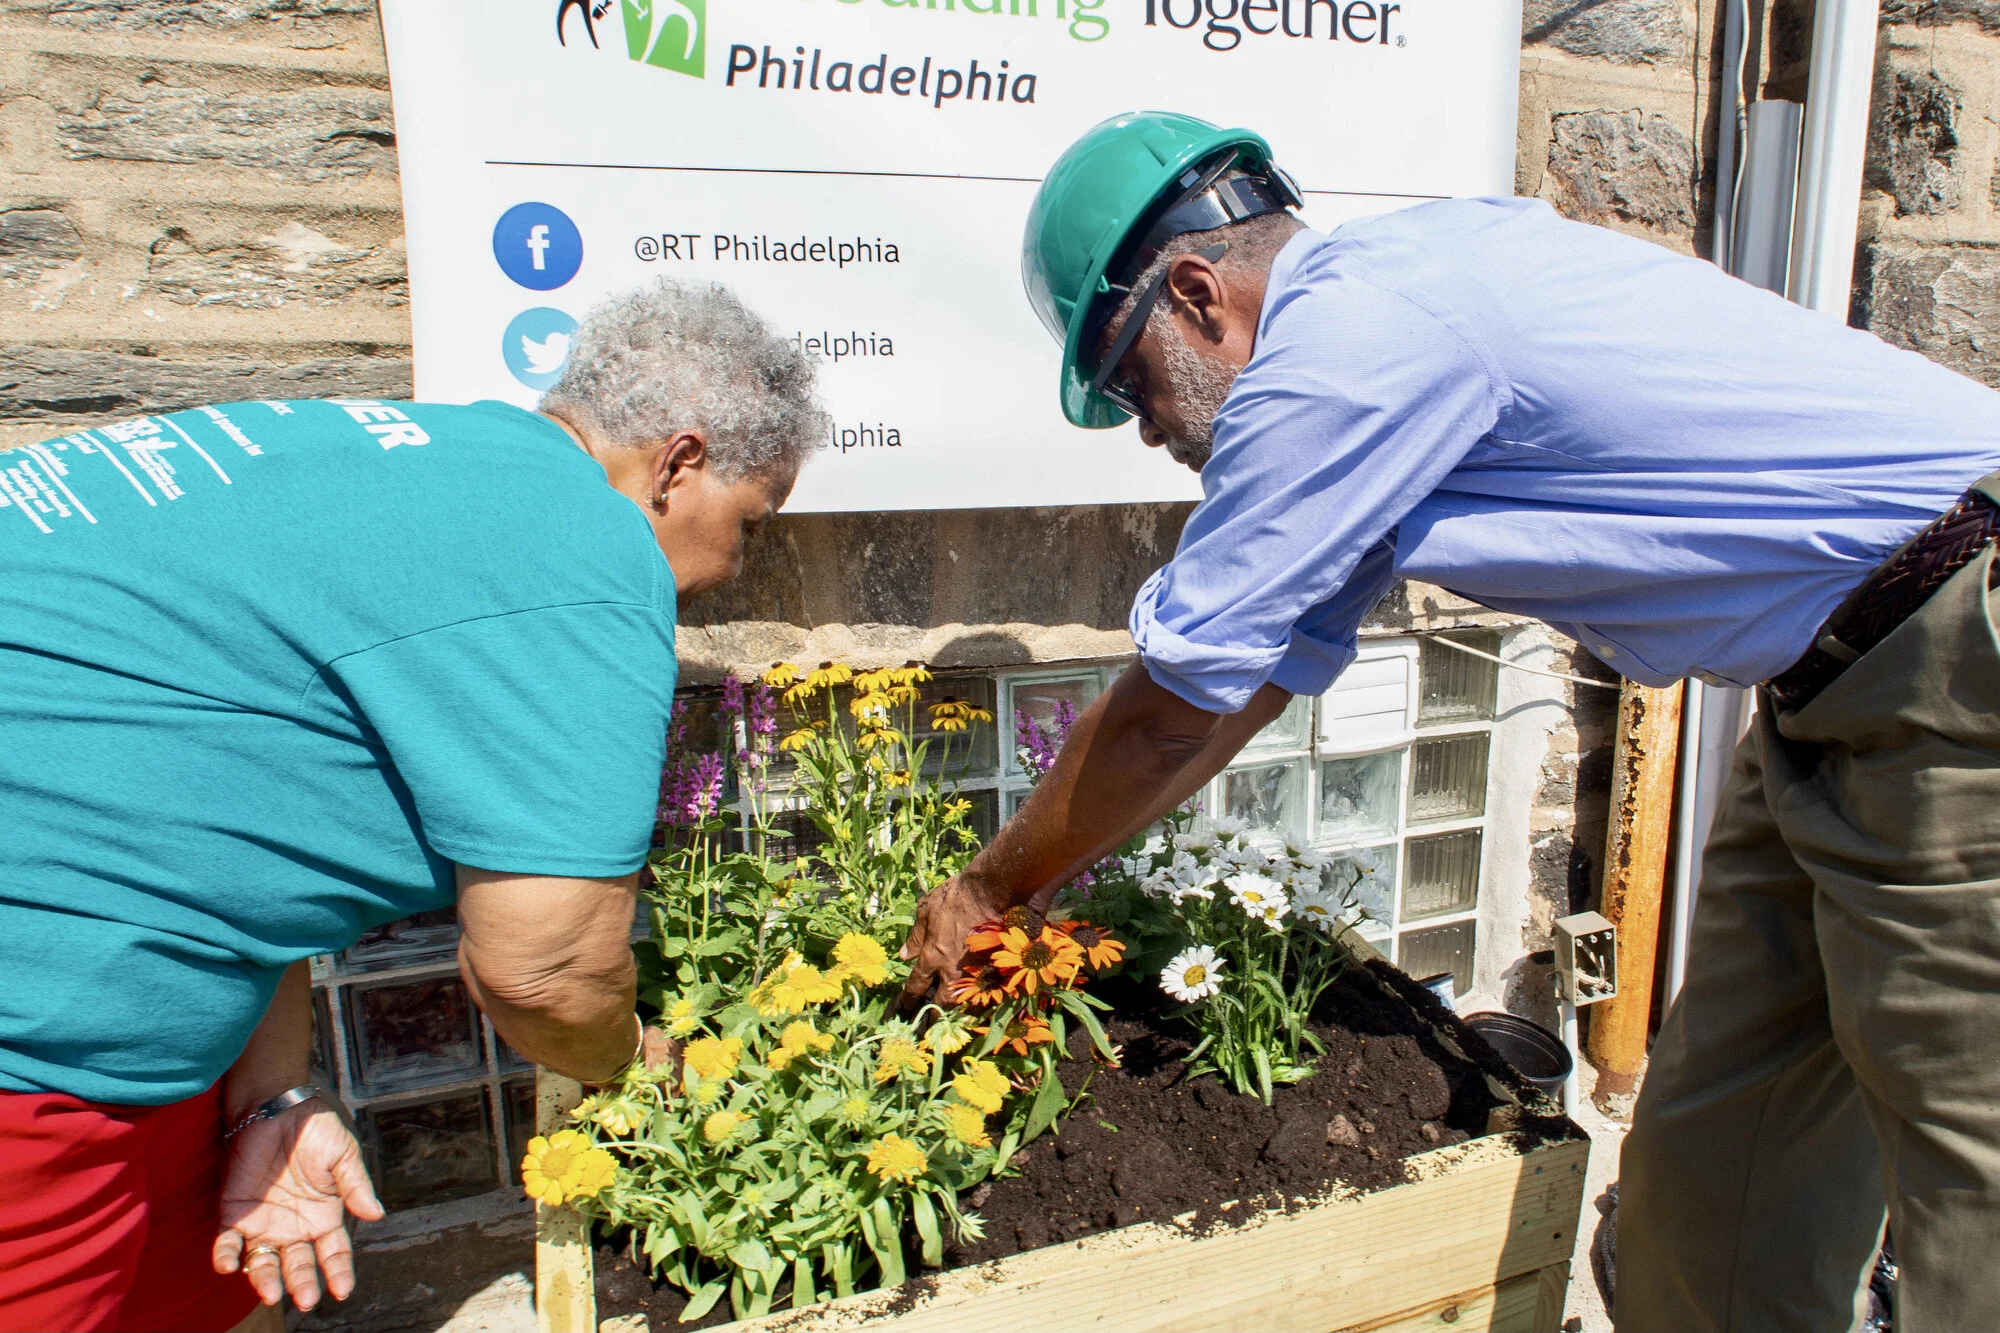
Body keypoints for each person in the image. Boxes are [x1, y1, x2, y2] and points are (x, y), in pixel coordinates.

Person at [899, 111, 2000, 1332]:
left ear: (1200, 291)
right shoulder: (1385, 328)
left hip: (1962, 662)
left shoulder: (1345, 352)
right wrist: (1048, 867)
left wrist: (989, 891)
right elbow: (1234, 681)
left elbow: (1168, 709)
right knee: (1709, 1193)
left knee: (1975, 1193)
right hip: (1834, 695)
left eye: (1129, 384)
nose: (1148, 432)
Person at [0, 278, 825, 1332]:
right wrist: (634, 1067)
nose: (737, 562)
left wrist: (274, 1095)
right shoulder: (585, 540)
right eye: (750, 522)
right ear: (678, 462)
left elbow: (246, 807)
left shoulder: (419, 464)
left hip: (121, 1037)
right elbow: (543, 971)